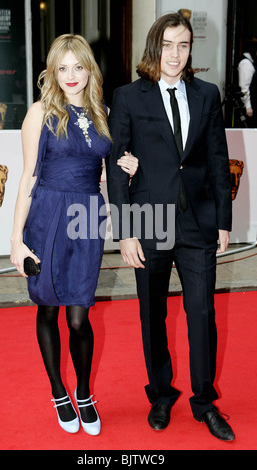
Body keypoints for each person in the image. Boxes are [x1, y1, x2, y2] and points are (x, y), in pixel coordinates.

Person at [106, 13, 235, 441]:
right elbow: (116, 164)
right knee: (152, 315)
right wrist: (124, 231)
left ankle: (204, 401)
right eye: (167, 45)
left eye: (182, 45)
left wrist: (223, 221)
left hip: (198, 223)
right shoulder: (128, 97)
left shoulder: (207, 95)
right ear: (153, 48)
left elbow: (218, 160)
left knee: (201, 313)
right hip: (149, 221)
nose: (175, 54)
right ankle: (160, 394)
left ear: (190, 49)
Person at [10, 34, 138, 436]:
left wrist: (129, 166)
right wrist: (16, 240)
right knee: (48, 307)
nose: (70, 75)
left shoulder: (104, 112)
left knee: (80, 316)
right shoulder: (39, 113)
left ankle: (84, 391)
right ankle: (58, 391)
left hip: (86, 217)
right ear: (52, 71)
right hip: (47, 216)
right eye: (62, 68)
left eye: (78, 67)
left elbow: (106, 167)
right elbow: (28, 176)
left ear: (89, 70)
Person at [238, 43, 257, 127]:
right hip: (248, 105)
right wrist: (248, 106)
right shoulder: (246, 63)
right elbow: (244, 87)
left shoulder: (250, 62)